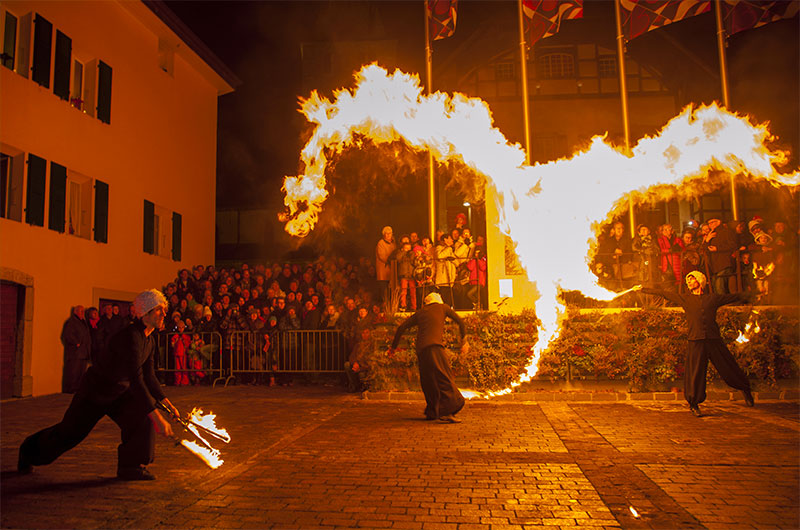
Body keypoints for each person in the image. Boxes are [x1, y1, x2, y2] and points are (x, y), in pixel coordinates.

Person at [18, 289, 180, 480]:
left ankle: (131, 466)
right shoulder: (130, 337)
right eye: (159, 310)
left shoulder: (149, 340)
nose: (164, 314)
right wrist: (158, 418)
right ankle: (28, 450)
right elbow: (136, 380)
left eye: (164, 309)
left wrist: (166, 402)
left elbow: (149, 375)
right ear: (146, 313)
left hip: (119, 392)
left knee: (141, 420)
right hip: (95, 392)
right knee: (69, 434)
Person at [633, 271, 754, 417]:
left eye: (692, 279)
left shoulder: (712, 298)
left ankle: (745, 388)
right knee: (695, 372)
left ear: (700, 281)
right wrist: (643, 289)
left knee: (728, 365)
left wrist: (752, 293)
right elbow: (663, 293)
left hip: (713, 339)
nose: (689, 282)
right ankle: (694, 403)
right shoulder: (685, 298)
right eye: (687, 280)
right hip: (696, 339)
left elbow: (732, 297)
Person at [387, 292, 469, 423]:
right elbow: (460, 322)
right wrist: (464, 341)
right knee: (444, 377)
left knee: (428, 380)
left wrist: (393, 348)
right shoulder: (443, 308)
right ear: (438, 301)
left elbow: (401, 327)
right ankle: (447, 411)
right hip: (434, 347)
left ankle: (433, 411)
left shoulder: (421, 312)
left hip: (421, 350)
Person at [61, 305, 92, 393]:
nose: (82, 313)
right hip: (75, 353)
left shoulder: (82, 322)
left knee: (81, 372)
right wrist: (76, 343)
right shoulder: (71, 322)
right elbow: (67, 335)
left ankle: (78, 388)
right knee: (73, 372)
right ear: (75, 312)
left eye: (83, 311)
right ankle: (70, 389)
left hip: (83, 352)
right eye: (80, 311)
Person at [375, 226, 396, 302]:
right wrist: (392, 259)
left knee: (392, 292)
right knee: (385, 292)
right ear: (383, 235)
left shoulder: (394, 243)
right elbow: (382, 256)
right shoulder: (380, 243)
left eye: (389, 233)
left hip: (392, 272)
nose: (388, 235)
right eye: (386, 234)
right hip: (383, 273)